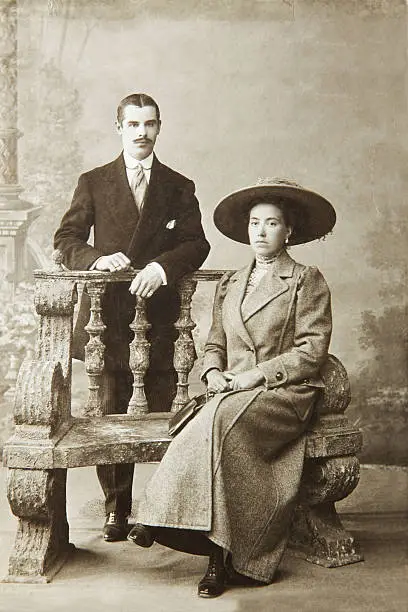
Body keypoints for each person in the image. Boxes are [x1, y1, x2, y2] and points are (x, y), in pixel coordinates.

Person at [126, 178, 336, 598]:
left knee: (218, 417)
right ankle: (217, 559)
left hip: (285, 393)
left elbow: (311, 352)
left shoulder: (304, 280)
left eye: (271, 223)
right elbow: (214, 343)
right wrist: (212, 374)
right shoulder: (232, 283)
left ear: (288, 231)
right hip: (232, 393)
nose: (260, 231)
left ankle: (156, 513)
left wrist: (256, 376)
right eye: (255, 223)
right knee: (218, 418)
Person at [53, 93, 210, 542]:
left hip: (160, 320)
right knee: (108, 414)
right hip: (109, 320)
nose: (142, 132)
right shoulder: (94, 181)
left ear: (160, 128)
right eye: (133, 124)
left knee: (164, 414)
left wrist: (162, 268)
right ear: (118, 128)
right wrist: (97, 259)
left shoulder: (179, 186)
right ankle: (115, 512)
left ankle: (160, 513)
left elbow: (198, 244)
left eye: (151, 124)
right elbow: (66, 238)